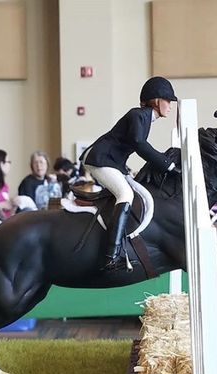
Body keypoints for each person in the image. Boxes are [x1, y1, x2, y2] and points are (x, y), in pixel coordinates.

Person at [81, 76, 178, 270]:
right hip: (100, 160)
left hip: (113, 162)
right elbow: (139, 144)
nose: (170, 105)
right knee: (125, 194)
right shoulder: (138, 115)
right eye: (168, 101)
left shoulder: (145, 117)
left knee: (139, 191)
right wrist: (168, 165)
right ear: (158, 101)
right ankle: (111, 255)